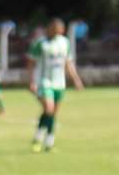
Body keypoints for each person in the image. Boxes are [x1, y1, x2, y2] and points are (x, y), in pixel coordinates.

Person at [27, 17, 84, 152]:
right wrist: (32, 81)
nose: (55, 31)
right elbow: (30, 63)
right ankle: (39, 138)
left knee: (52, 113)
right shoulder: (40, 44)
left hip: (59, 83)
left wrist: (76, 79)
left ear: (62, 30)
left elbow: (68, 63)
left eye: (58, 29)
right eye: (53, 28)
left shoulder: (65, 43)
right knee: (49, 108)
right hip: (44, 81)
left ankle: (48, 142)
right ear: (49, 29)